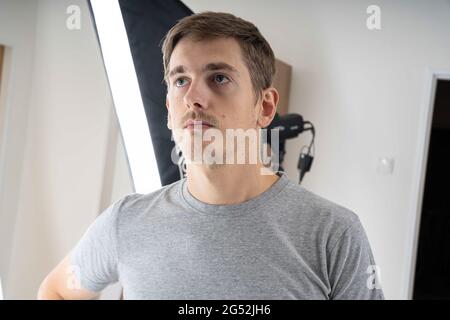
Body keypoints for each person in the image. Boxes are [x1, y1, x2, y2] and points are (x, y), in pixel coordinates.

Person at [37, 11, 384, 300]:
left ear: (264, 107)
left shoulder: (333, 233)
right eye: (180, 80)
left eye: (218, 78)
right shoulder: (125, 223)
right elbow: (56, 290)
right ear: (170, 110)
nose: (194, 97)